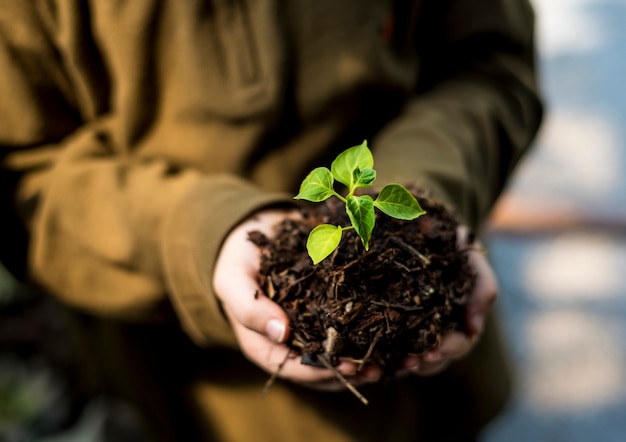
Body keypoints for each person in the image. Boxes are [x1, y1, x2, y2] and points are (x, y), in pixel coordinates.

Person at [0, 1, 543, 441]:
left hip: (436, 397)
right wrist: (204, 233)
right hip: (192, 399)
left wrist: (429, 191)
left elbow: (491, 62)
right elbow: (21, 174)